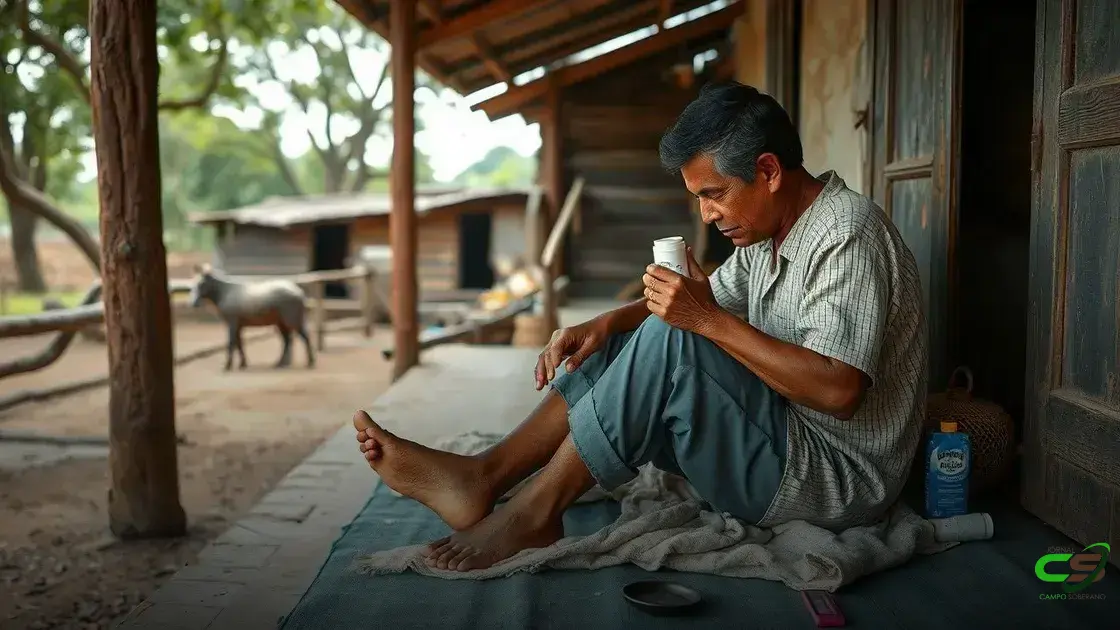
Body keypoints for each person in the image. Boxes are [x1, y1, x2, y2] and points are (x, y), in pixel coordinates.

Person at [352, 81, 927, 572]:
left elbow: (839, 390)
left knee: (681, 336)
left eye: (715, 195)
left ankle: (531, 515)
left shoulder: (846, 232)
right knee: (650, 330)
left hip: (830, 480)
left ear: (769, 171)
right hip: (774, 435)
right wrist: (606, 322)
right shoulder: (771, 233)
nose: (706, 214)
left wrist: (704, 321)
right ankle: (486, 475)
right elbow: (701, 300)